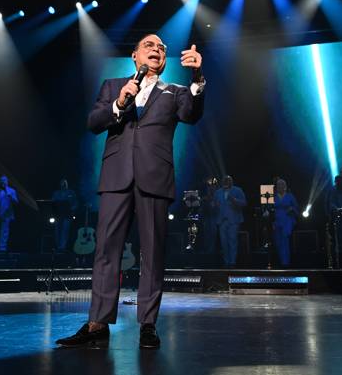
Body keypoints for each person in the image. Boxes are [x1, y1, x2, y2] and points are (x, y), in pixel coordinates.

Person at [56, 34, 205, 349]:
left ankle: (147, 324)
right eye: (149, 46)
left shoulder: (175, 91)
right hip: (116, 175)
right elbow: (94, 122)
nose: (156, 50)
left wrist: (197, 77)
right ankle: (97, 324)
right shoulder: (113, 86)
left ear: (165, 61)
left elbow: (191, 114)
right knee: (106, 250)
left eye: (162, 49)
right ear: (135, 56)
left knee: (152, 253)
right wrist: (119, 103)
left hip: (155, 176)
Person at [214, 176, 247, 268]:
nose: (226, 182)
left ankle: (232, 262)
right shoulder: (218, 192)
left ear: (231, 182)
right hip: (222, 220)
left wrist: (234, 200)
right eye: (224, 180)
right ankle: (226, 262)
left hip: (233, 220)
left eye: (228, 180)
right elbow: (215, 205)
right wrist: (214, 205)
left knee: (232, 241)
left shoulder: (238, 190)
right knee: (223, 242)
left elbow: (244, 203)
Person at [273, 178, 298, 268]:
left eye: (282, 185)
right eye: (279, 185)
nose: (280, 186)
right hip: (276, 220)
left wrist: (292, 209)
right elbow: (268, 208)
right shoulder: (273, 196)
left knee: (285, 240)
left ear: (285, 186)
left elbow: (296, 208)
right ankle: (281, 262)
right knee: (278, 241)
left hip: (287, 220)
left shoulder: (290, 196)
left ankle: (285, 263)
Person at [51, 179, 78, 253]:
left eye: (65, 183)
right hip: (58, 215)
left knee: (65, 230)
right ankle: (57, 246)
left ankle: (62, 247)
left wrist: (71, 209)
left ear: (67, 184)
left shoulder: (71, 192)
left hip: (67, 215)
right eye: (62, 183)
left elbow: (75, 203)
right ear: (60, 184)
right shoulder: (56, 193)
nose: (63, 184)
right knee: (57, 230)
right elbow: (52, 203)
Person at [202, 177, 219, 254]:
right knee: (207, 234)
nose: (210, 188)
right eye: (209, 187)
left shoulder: (218, 196)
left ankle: (211, 250)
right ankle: (207, 250)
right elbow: (202, 207)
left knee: (213, 234)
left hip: (214, 217)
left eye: (212, 186)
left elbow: (218, 207)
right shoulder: (205, 197)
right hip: (207, 217)